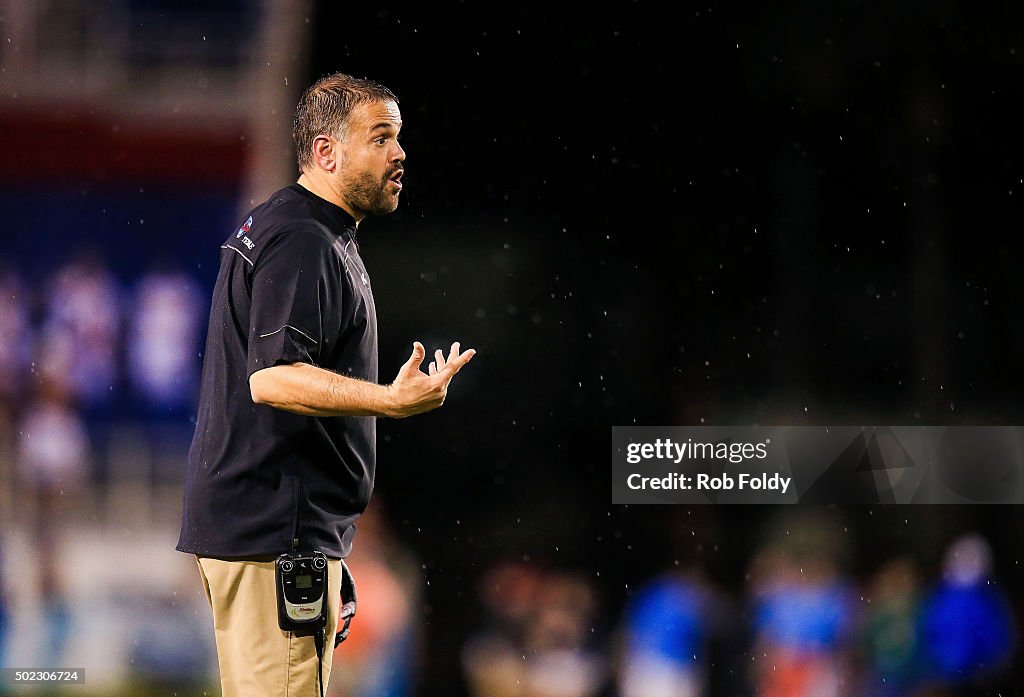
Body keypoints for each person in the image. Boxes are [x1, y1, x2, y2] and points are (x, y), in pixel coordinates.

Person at [176, 71, 476, 697]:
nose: (399, 154)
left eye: (398, 138)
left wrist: (330, 544)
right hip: (274, 532)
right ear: (326, 151)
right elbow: (273, 378)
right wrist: (391, 401)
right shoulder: (305, 240)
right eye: (380, 137)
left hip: (281, 530)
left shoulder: (301, 229)